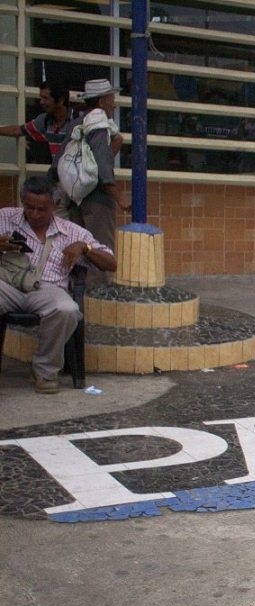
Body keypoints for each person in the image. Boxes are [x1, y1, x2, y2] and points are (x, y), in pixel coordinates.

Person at [0, 176, 115, 394]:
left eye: (41, 209)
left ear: (56, 205)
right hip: (8, 284)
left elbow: (111, 263)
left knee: (68, 310)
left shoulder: (72, 231)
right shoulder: (5, 217)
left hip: (48, 289)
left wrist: (85, 248)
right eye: (29, 208)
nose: (34, 214)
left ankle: (44, 370)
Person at [50, 78, 129, 270]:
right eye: (111, 98)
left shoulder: (77, 124)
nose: (114, 103)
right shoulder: (99, 125)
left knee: (81, 259)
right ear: (101, 102)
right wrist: (120, 199)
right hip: (98, 202)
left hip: (76, 200)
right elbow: (103, 167)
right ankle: (96, 298)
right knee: (99, 256)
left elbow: (59, 161)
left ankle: (80, 297)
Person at [0, 83, 74, 165]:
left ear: (60, 100)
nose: (41, 102)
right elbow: (16, 130)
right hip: (59, 173)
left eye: (45, 98)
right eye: (41, 98)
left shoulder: (80, 120)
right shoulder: (45, 120)